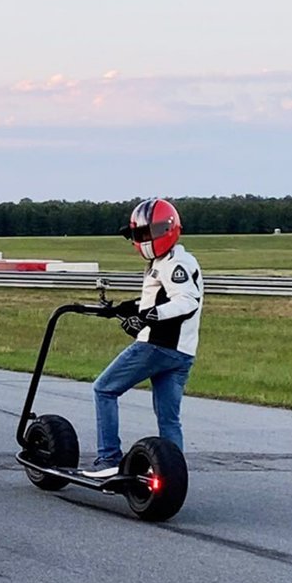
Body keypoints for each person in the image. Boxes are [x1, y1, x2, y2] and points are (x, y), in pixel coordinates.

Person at [85, 198, 204, 476]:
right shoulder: (167, 261)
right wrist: (120, 310)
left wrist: (146, 319)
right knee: (169, 420)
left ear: (167, 230)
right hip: (182, 353)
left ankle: (108, 459)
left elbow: (187, 302)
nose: (143, 240)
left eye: (147, 233)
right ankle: (173, 476)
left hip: (156, 347)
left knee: (103, 389)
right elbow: (153, 301)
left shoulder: (175, 263)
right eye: (140, 235)